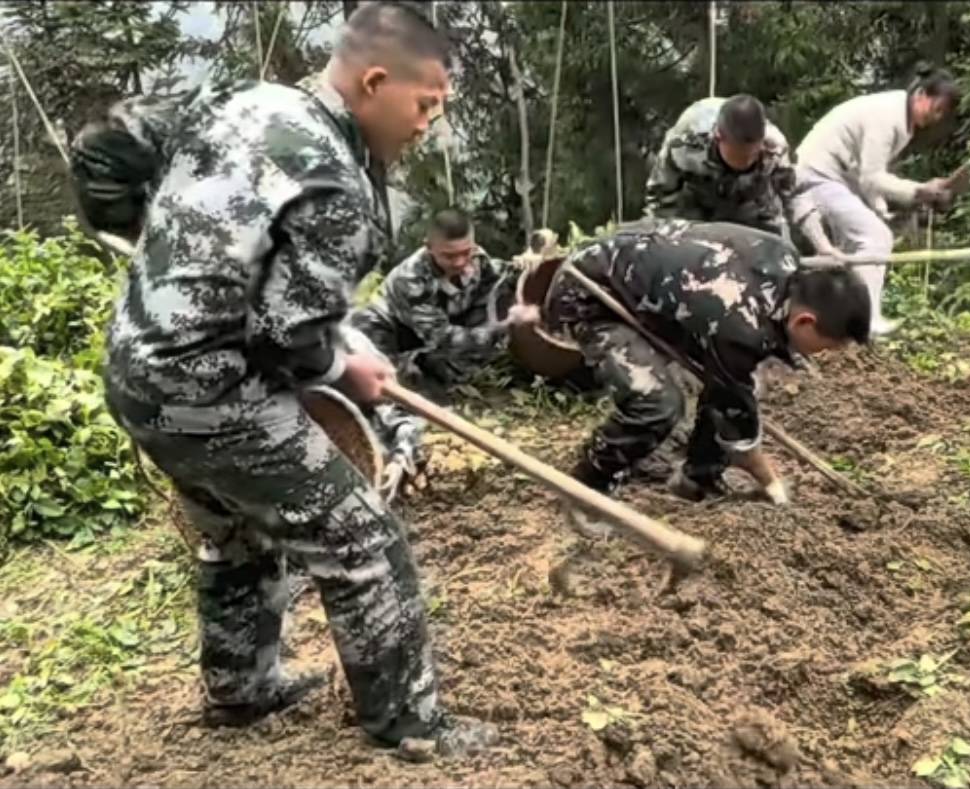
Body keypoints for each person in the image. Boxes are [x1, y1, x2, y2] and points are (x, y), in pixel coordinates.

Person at [96, 2, 496, 761]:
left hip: (134, 369)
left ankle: (242, 689)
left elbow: (112, 143)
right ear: (376, 82)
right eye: (425, 106)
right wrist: (350, 365)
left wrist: (133, 240)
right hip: (210, 391)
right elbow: (292, 341)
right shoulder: (337, 181)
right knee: (363, 539)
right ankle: (409, 724)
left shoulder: (245, 98)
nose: (426, 128)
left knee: (235, 529)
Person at [544, 219, 871, 530]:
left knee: (732, 387)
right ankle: (587, 486)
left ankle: (697, 477)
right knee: (657, 404)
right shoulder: (739, 323)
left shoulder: (784, 259)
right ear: (805, 322)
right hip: (591, 293)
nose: (822, 356)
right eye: (826, 347)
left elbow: (734, 386)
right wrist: (768, 477)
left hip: (652, 284)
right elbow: (734, 404)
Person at [348, 207, 538, 498]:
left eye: (466, 252)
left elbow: (503, 276)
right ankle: (399, 430)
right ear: (429, 248)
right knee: (383, 392)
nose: (461, 262)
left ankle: (425, 377)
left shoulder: (477, 260)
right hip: (388, 333)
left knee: (455, 361)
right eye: (449, 256)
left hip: (432, 334)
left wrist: (527, 265)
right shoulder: (411, 278)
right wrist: (505, 327)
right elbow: (446, 339)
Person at [791, 67, 964, 337]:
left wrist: (881, 210)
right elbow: (871, 178)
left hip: (838, 177)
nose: (936, 117)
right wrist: (920, 190)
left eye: (942, 114)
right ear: (920, 94)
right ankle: (867, 321)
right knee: (876, 237)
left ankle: (841, 323)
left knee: (854, 249)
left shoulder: (900, 120)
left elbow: (866, 175)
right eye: (936, 107)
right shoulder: (889, 116)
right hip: (816, 174)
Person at [644, 94, 796, 238]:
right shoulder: (686, 141)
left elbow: (789, 199)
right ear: (718, 137)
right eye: (740, 156)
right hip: (696, 196)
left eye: (753, 156)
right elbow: (661, 196)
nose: (747, 162)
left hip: (749, 201)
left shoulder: (775, 148)